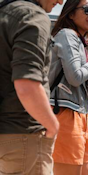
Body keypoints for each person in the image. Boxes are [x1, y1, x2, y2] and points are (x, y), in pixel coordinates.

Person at [0, 0, 63, 174]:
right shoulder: (33, 16)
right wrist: (52, 125)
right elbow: (27, 84)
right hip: (25, 135)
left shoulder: (5, 13)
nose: (60, 1)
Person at [49, 0, 88, 174]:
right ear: (70, 13)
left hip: (79, 115)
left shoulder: (80, 43)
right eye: (87, 10)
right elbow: (75, 78)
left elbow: (86, 93)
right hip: (64, 114)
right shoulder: (67, 35)